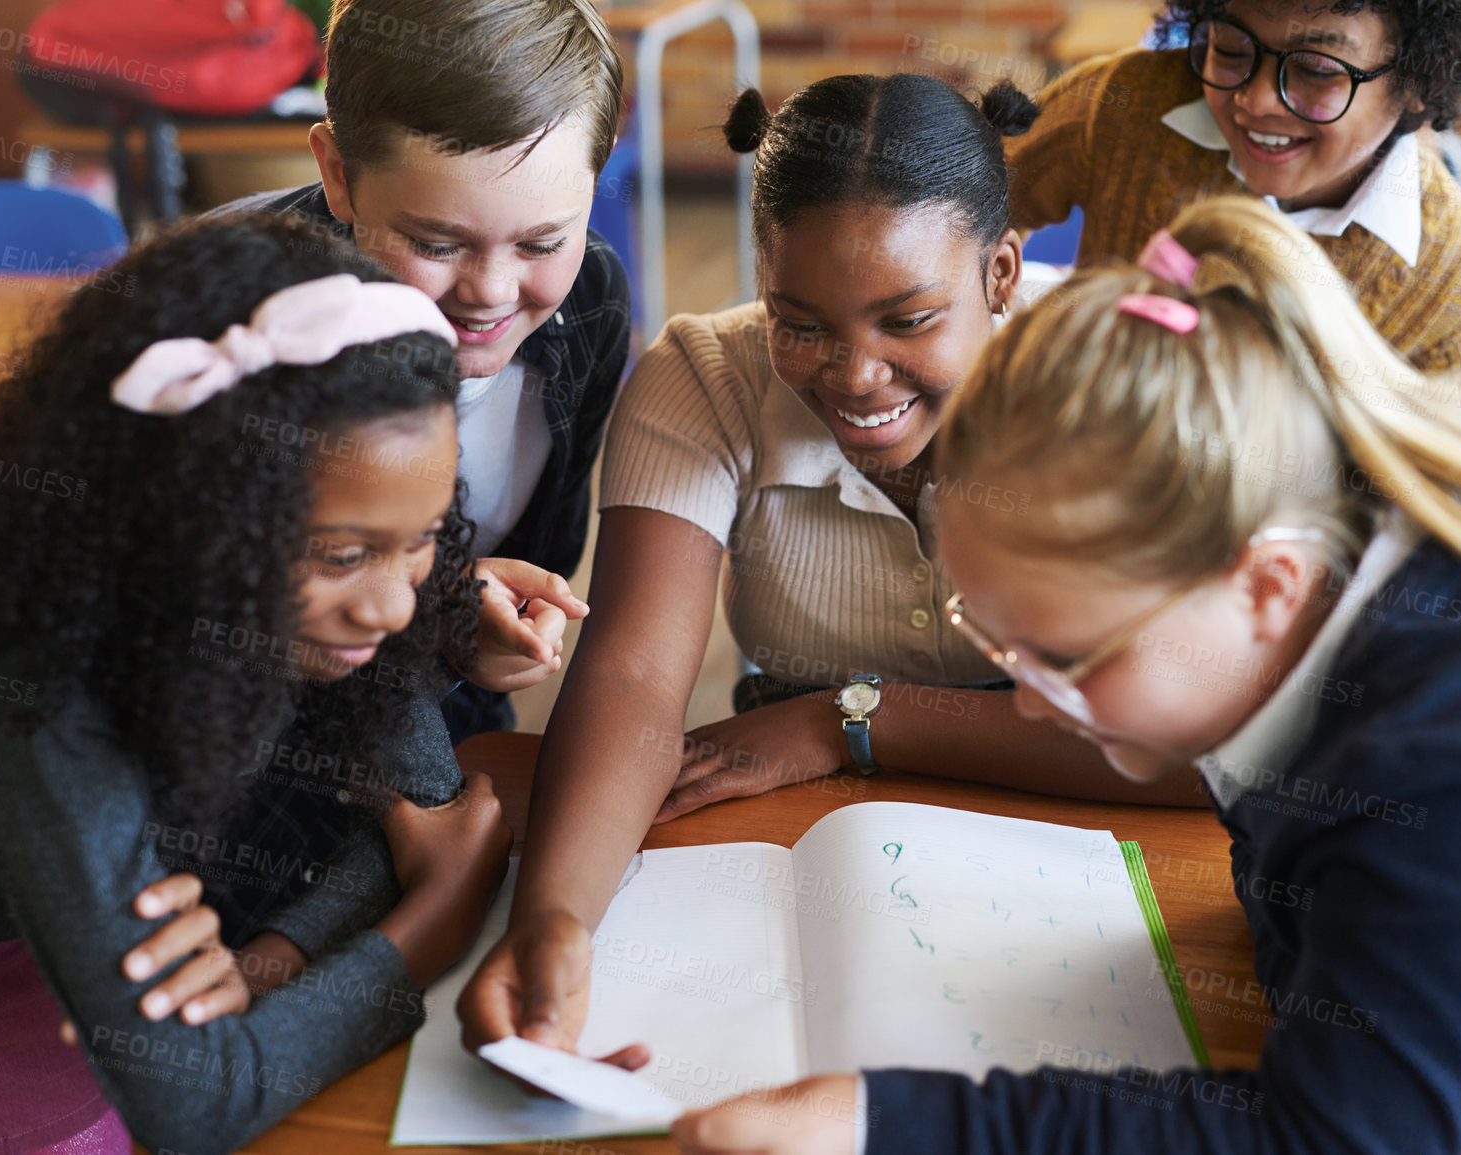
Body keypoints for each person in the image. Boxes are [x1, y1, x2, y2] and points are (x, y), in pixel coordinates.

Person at [670, 197, 1461, 1154]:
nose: (1025, 700)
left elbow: (1325, 1138)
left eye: (1069, 657)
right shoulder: (1307, 594)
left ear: (1268, 585)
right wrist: (1388, 1087)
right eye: (996, 639)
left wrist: (880, 1125)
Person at [454, 71, 1206, 1065]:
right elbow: (635, 674)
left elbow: (1206, 744)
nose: (853, 376)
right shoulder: (706, 377)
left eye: (908, 320)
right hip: (804, 814)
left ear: (1003, 272)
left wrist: (851, 717)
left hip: (1073, 814)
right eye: (800, 323)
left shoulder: (1131, 378)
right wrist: (553, 922)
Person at [0, 216, 513, 1155]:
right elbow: (195, 1108)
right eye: (340, 555)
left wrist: (278, 956)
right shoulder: (47, 731)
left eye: (422, 537)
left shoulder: (338, 572)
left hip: (118, 936)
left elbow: (427, 818)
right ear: (189, 522)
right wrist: (427, 929)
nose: (392, 606)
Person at [220, 0, 632, 742]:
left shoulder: (592, 299)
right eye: (437, 244)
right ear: (339, 174)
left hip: (447, 718)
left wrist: (480, 632)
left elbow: (531, 560)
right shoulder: (223, 319)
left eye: (542, 243)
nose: (492, 293)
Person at [1006, 0, 1461, 401]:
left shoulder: (1458, 278)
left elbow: (1443, 503)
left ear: (1423, 78)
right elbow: (978, 202)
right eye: (1232, 50)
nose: (1255, 100)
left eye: (1317, 70)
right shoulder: (1130, 104)